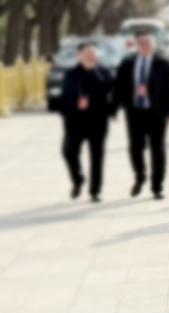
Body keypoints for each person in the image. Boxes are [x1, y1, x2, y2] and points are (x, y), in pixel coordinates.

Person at [111, 30, 169, 200]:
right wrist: (113, 109)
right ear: (136, 44)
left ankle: (157, 186)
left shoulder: (163, 63)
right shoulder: (127, 63)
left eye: (147, 42)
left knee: (158, 149)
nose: (144, 45)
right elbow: (119, 87)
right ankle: (140, 176)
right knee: (135, 147)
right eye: (141, 42)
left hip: (156, 113)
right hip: (134, 112)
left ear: (154, 44)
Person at [60, 41, 114, 202]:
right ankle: (78, 179)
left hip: (97, 120)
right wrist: (66, 114)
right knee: (68, 152)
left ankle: (95, 191)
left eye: (93, 53)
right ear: (79, 56)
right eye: (86, 54)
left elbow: (106, 88)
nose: (90, 56)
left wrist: (91, 71)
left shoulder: (104, 72)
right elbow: (64, 96)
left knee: (97, 156)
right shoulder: (70, 73)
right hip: (75, 121)